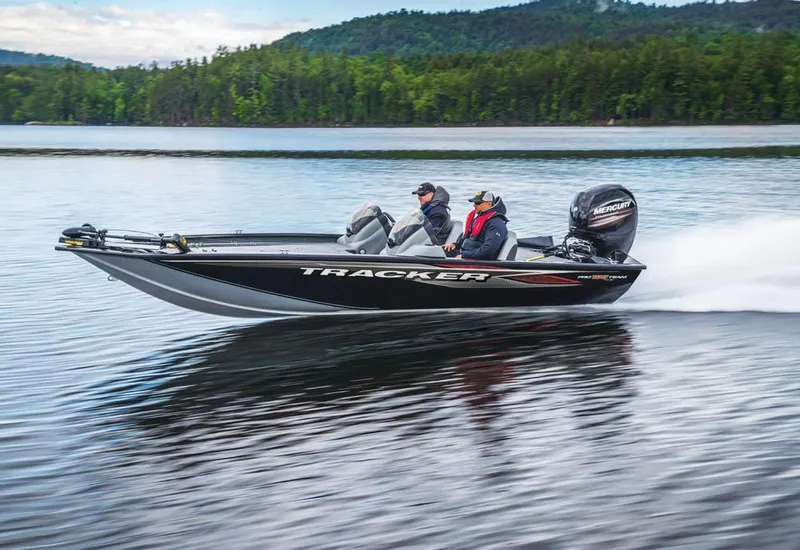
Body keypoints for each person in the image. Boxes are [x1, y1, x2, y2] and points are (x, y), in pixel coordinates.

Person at [443, 190, 508, 260]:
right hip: (466, 252)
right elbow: (468, 239)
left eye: (478, 203)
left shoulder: (496, 224)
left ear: (489, 204)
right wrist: (455, 245)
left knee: (437, 255)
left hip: (477, 259)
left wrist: (464, 256)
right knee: (436, 251)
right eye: (474, 202)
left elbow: (488, 251)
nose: (474, 205)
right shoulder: (479, 218)